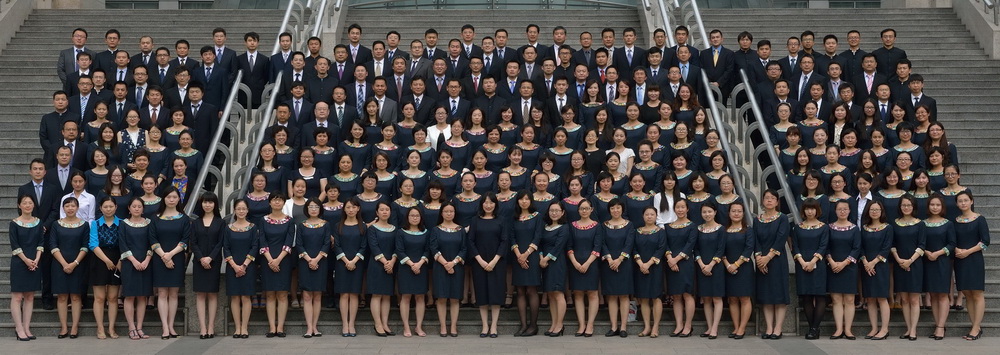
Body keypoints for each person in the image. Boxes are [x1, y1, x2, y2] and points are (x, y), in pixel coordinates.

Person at [149, 187, 190, 339]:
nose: (171, 200)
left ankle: (171, 326)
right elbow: (152, 239)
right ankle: (164, 327)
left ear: (179, 199)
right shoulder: (155, 218)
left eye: (174, 197)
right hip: (159, 259)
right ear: (163, 199)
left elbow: (185, 240)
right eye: (168, 197)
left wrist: (170, 255)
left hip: (177, 258)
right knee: (162, 293)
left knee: (173, 293)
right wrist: (164, 256)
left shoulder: (184, 218)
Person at [467, 193, 508, 338]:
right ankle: (485, 326)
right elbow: (470, 241)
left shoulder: (501, 220)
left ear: (496, 204)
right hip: (479, 262)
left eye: (491, 202)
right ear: (481, 204)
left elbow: (504, 241)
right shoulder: (475, 221)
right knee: (482, 294)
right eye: (485, 202)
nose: (488, 205)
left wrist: (494, 260)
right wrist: (480, 260)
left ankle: (494, 326)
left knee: (496, 294)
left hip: (497, 262)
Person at [50, 197, 89, 338]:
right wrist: (64, 264)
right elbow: (53, 245)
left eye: (73, 206)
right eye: (67, 206)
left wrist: (74, 263)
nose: (70, 208)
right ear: (63, 208)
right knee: (61, 297)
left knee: (76, 297)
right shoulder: (56, 224)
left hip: (78, 264)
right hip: (59, 264)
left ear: (78, 208)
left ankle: (74, 327)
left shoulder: (84, 225)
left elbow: (85, 246)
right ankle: (64, 327)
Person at [953, 191, 989, 340]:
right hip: (960, 259)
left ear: (971, 201)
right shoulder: (955, 221)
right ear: (956, 204)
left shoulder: (980, 219)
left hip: (974, 259)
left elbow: (985, 242)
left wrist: (968, 251)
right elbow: (951, 240)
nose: (963, 203)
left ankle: (975, 327)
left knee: (977, 293)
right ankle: (975, 325)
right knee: (967, 293)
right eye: (960, 201)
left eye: (965, 200)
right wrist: (957, 250)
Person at [10, 194, 44, 341]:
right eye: (24, 203)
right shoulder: (14, 223)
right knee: (17, 297)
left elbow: (41, 243)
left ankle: (26, 328)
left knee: (30, 296)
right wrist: (26, 260)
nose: (28, 205)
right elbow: (15, 245)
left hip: (35, 262)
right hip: (19, 262)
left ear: (33, 205)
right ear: (19, 205)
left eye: (30, 203)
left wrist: (35, 260)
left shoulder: (38, 222)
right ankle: (18, 329)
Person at [223, 199, 259, 339]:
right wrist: (234, 266)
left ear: (248, 210)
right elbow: (226, 247)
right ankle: (237, 327)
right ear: (234, 210)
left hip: (247, 266)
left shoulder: (252, 227)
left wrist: (244, 265)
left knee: (245, 296)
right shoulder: (229, 228)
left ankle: (245, 327)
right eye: (239, 209)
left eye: (244, 209)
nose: (241, 211)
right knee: (235, 296)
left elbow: (255, 246)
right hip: (232, 266)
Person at [260, 193, 295, 337]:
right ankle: (271, 327)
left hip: (284, 259)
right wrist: (270, 260)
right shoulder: (263, 220)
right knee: (269, 294)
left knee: (282, 294)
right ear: (269, 203)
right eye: (274, 200)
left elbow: (289, 241)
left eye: (280, 200)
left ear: (283, 203)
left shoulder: (289, 220)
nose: (277, 202)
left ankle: (280, 327)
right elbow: (262, 240)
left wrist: (278, 259)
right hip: (267, 259)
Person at [793, 198, 829, 340]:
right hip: (802, 265)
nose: (810, 211)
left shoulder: (823, 227)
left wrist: (813, 261)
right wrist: (802, 262)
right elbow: (795, 246)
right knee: (806, 296)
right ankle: (811, 327)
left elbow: (823, 246)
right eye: (807, 208)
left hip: (818, 265)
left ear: (817, 210)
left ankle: (815, 328)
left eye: (812, 208)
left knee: (819, 296)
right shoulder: (798, 227)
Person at [118, 197, 153, 340]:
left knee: (142, 295)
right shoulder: (123, 224)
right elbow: (122, 244)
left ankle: (139, 327)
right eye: (134, 206)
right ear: (129, 208)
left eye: (139, 206)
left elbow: (152, 242)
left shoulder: (149, 223)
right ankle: (131, 327)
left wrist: (146, 260)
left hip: (146, 263)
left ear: (143, 208)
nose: (137, 208)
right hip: (129, 263)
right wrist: (133, 260)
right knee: (130, 295)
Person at [430, 201, 466, 337]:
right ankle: (443, 326)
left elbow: (464, 249)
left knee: (455, 298)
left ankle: (453, 326)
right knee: (442, 298)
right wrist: (446, 264)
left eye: (451, 211)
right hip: (440, 267)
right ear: (441, 213)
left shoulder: (460, 230)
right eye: (446, 211)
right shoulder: (436, 229)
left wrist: (453, 263)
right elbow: (433, 248)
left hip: (457, 268)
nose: (449, 214)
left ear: (455, 213)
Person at [922, 194, 956, 340]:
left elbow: (952, 243)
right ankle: (937, 324)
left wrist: (938, 253)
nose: (935, 207)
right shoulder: (923, 223)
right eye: (932, 205)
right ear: (928, 206)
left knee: (942, 294)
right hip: (928, 260)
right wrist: (927, 252)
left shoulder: (948, 224)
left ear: (942, 207)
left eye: (938, 205)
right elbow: (920, 242)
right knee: (933, 294)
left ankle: (941, 327)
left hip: (942, 262)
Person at [191, 193, 223, 339]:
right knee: (200, 294)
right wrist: (201, 258)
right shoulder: (196, 222)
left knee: (212, 294)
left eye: (210, 202)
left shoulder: (220, 222)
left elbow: (220, 243)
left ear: (215, 204)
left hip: (214, 262)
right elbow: (193, 243)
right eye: (205, 202)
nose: (207, 205)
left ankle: (211, 326)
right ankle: (202, 327)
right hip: (199, 262)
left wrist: (210, 258)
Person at [827, 200, 861, 340]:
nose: (842, 211)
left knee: (849, 299)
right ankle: (838, 329)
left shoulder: (854, 229)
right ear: (835, 211)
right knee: (836, 299)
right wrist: (832, 261)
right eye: (839, 209)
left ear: (849, 211)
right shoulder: (829, 228)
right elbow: (826, 246)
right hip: (833, 266)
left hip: (849, 267)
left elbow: (856, 248)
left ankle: (848, 329)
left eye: (845, 209)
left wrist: (845, 263)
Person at [567, 199, 602, 337]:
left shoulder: (597, 226)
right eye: (582, 208)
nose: (584, 211)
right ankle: (581, 324)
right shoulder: (572, 226)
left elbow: (597, 246)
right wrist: (575, 262)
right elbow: (569, 246)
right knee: (578, 293)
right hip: (575, 262)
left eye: (587, 208)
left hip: (591, 263)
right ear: (578, 210)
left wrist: (587, 263)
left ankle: (590, 324)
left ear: (591, 209)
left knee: (592, 293)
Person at [297, 198, 331, 338]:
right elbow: (299, 244)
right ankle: (308, 328)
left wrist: (316, 259)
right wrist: (309, 259)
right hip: (305, 262)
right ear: (306, 209)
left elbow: (327, 243)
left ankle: (315, 327)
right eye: (310, 206)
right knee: (306, 295)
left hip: (321, 261)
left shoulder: (326, 225)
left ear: (320, 209)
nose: (313, 209)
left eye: (316, 207)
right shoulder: (302, 225)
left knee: (317, 296)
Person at [892, 194, 924, 340]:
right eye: (904, 205)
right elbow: (892, 245)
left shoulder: (920, 224)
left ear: (913, 207)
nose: (906, 208)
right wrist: (899, 260)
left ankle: (913, 330)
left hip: (915, 264)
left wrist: (910, 261)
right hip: (899, 263)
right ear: (900, 207)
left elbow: (922, 245)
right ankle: (907, 328)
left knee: (914, 299)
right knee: (904, 299)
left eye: (909, 205)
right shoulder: (895, 223)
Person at [511, 191, 542, 336]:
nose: (524, 202)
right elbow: (511, 237)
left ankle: (533, 325)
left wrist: (526, 254)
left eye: (527, 199)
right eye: (521, 199)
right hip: (517, 257)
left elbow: (537, 237)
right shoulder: (514, 218)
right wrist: (519, 255)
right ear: (517, 201)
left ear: (531, 201)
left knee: (531, 290)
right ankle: (523, 325)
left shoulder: (537, 217)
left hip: (532, 257)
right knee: (520, 291)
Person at [333, 198, 366, 337]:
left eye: (354, 207)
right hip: (342, 263)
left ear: (358, 209)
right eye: (348, 207)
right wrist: (347, 261)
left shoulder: (363, 226)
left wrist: (354, 260)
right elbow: (337, 246)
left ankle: (351, 324)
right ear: (344, 209)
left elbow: (364, 246)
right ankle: (344, 324)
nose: (351, 210)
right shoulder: (338, 226)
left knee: (354, 293)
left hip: (357, 263)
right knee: (344, 293)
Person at [89, 197, 121, 340]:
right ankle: (100, 328)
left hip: (118, 259)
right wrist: (107, 260)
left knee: (113, 297)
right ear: (100, 208)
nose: (108, 209)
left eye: (111, 206)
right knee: (100, 297)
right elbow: (93, 244)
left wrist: (120, 260)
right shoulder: (95, 224)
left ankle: (111, 328)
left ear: (116, 207)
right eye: (105, 207)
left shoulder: (122, 223)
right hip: (99, 259)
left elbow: (125, 243)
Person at [601, 198, 634, 337]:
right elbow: (602, 243)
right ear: (609, 210)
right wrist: (609, 259)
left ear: (622, 209)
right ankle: (614, 326)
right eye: (613, 208)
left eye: (618, 208)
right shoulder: (604, 225)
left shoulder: (629, 225)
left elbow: (629, 243)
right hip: (608, 263)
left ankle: (623, 327)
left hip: (624, 263)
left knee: (624, 295)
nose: (615, 210)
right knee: (612, 295)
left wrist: (619, 259)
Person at [860, 200, 892, 340]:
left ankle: (884, 329)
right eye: (872, 209)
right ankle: (873, 328)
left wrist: (873, 262)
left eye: (877, 209)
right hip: (866, 266)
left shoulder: (887, 228)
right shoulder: (865, 227)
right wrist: (866, 262)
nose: (874, 212)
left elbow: (886, 248)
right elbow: (860, 246)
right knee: (870, 298)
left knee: (882, 298)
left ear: (881, 211)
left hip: (880, 266)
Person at [396, 207, 430, 337]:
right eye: (412, 215)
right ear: (407, 217)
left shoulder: (426, 232)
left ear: (421, 218)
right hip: (406, 268)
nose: (415, 218)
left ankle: (418, 326)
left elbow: (428, 250)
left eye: (417, 215)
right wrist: (411, 264)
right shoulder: (401, 232)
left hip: (421, 267)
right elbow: (399, 250)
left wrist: (419, 264)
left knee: (420, 297)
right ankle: (406, 327)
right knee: (406, 297)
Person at [633, 206, 666, 338]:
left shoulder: (661, 231)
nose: (649, 217)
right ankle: (646, 326)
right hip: (640, 267)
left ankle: (655, 327)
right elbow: (634, 248)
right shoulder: (637, 231)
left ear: (656, 216)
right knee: (644, 297)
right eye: (647, 214)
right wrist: (641, 263)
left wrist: (649, 263)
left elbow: (661, 248)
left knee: (656, 297)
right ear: (643, 216)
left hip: (655, 267)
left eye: (652, 214)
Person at [723, 204, 754, 339]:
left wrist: (736, 264)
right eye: (733, 211)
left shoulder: (748, 230)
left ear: (743, 213)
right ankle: (735, 327)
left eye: (739, 211)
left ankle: (742, 328)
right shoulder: (724, 231)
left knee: (744, 298)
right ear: (729, 213)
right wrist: (727, 265)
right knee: (732, 299)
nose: (736, 213)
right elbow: (721, 249)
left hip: (744, 268)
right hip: (728, 267)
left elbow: (749, 249)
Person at [694, 202, 725, 339]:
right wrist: (702, 264)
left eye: (709, 212)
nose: (707, 214)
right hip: (702, 266)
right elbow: (696, 249)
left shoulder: (721, 229)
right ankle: (709, 326)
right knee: (706, 298)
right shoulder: (698, 229)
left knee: (716, 298)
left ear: (715, 212)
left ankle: (715, 328)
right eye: (704, 212)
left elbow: (721, 249)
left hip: (716, 267)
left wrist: (711, 265)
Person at [367, 201, 397, 336]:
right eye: (382, 210)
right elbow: (374, 247)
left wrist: (392, 262)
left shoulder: (394, 228)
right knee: (377, 294)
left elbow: (398, 247)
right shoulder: (372, 228)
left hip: (391, 264)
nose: (385, 212)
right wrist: (386, 262)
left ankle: (385, 323)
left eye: (387, 209)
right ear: (377, 213)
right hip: (377, 264)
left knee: (387, 295)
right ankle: (377, 323)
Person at [540, 202, 569, 337]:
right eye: (552, 210)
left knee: (558, 293)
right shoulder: (545, 227)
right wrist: (541, 257)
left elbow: (558, 246)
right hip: (544, 262)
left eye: (557, 210)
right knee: (551, 295)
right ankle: (553, 323)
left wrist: (546, 259)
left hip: (557, 263)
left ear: (562, 212)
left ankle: (560, 324)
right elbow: (540, 243)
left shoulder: (564, 228)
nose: (554, 213)